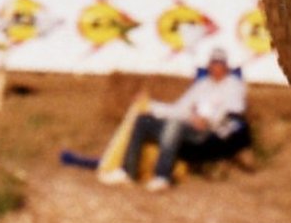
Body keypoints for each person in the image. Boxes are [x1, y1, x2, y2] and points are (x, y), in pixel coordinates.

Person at [101, 47, 249, 191]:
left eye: (219, 64)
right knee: (143, 121)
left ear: (226, 67)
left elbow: (234, 112)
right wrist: (149, 104)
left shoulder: (233, 86)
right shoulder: (202, 85)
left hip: (209, 131)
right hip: (187, 125)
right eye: (213, 63)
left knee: (174, 125)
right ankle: (128, 172)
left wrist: (208, 120)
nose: (215, 67)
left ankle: (162, 177)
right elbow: (179, 109)